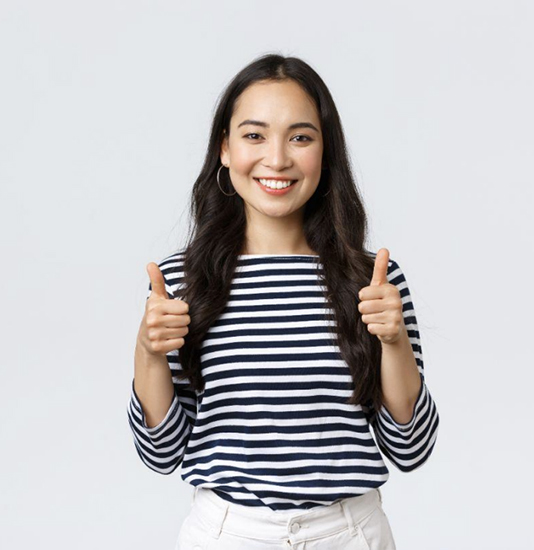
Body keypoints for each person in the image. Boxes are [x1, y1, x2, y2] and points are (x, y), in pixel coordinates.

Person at [127, 53, 440, 550]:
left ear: (325, 152)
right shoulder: (182, 280)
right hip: (227, 535)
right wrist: (147, 352)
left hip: (350, 534)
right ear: (224, 150)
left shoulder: (372, 281)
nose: (277, 159)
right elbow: (162, 453)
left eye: (300, 137)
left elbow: (411, 447)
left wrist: (395, 342)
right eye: (254, 135)